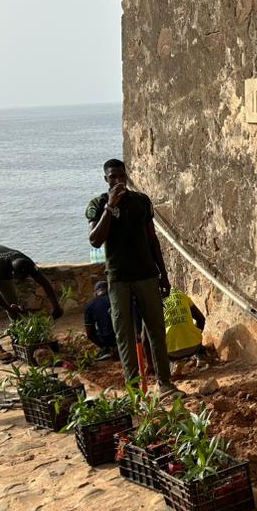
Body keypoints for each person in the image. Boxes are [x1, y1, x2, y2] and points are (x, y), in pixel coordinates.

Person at [86, 158, 177, 397]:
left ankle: (164, 382)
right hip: (118, 278)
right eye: (112, 177)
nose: (117, 181)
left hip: (146, 274)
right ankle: (134, 386)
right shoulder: (98, 204)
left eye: (121, 176)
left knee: (156, 329)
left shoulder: (141, 201)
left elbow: (152, 239)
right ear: (105, 179)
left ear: (126, 176)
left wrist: (163, 275)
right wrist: (110, 207)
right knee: (124, 332)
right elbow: (95, 240)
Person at [0, 244, 64, 362]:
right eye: (17, 277)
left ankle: (19, 337)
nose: (19, 280)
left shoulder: (27, 263)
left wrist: (56, 306)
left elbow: (45, 284)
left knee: (12, 300)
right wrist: (9, 309)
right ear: (12, 272)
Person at [165, 289, 206, 359]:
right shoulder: (180, 294)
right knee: (194, 330)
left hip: (171, 353)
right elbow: (201, 319)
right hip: (194, 347)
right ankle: (200, 356)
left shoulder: (154, 300)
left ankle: (175, 363)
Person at [83, 280, 118, 359]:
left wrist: (104, 346)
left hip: (106, 340)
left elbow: (90, 334)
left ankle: (108, 349)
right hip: (125, 339)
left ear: (95, 293)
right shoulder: (118, 300)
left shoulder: (90, 306)